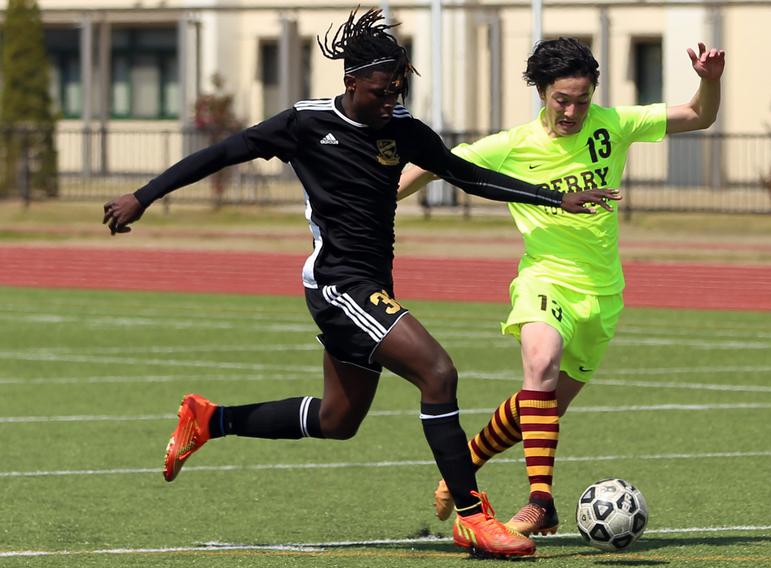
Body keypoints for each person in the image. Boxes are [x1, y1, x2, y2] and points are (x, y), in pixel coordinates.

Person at [102, 11, 617, 558]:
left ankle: (209, 419)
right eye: (379, 90)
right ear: (350, 84)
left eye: (397, 88)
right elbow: (222, 153)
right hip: (337, 283)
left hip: (371, 284)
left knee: (337, 419)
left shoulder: (403, 129)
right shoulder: (304, 123)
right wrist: (144, 195)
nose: (390, 99)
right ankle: (472, 517)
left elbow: (469, 175)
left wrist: (555, 198)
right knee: (438, 372)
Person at [398, 37, 725, 536]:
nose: (572, 111)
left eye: (582, 100)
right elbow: (437, 162)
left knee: (545, 406)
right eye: (562, 100)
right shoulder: (512, 144)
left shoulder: (613, 125)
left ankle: (462, 463)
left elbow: (699, 117)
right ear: (542, 92)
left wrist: (709, 80)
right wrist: (374, 197)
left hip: (603, 293)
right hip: (544, 277)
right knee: (541, 361)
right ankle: (540, 502)